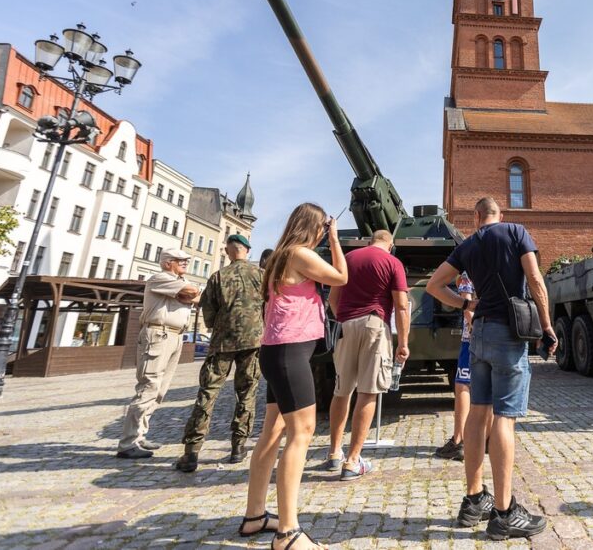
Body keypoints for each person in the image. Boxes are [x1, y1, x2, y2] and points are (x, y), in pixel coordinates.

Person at [427, 197, 556, 540]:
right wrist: (546, 325)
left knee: (478, 413)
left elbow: (434, 285)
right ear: (501, 215)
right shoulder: (516, 232)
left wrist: (467, 303)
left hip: (478, 333)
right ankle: (503, 512)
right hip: (508, 333)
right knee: (504, 417)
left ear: (476, 216)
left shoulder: (467, 244)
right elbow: (535, 279)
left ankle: (473, 499)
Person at [238, 203, 346, 549]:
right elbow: (341, 276)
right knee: (302, 433)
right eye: (320, 227)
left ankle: (255, 515)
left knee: (273, 432)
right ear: (313, 226)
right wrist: (335, 238)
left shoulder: (280, 256)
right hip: (290, 353)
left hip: (277, 352)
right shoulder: (300, 253)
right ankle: (288, 532)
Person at [323, 229, 410, 479]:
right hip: (374, 323)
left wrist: (346, 318)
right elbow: (402, 306)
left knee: (341, 391)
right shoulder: (393, 262)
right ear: (390, 245)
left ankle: (333, 453)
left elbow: (333, 299)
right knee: (368, 391)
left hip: (345, 325)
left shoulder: (349, 258)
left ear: (369, 241)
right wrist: (402, 342)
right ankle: (352, 461)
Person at [175, 234, 265, 473]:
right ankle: (238, 447)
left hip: (221, 343)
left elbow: (208, 312)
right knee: (246, 394)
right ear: (247, 250)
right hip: (252, 343)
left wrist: (220, 325)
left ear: (227, 251)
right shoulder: (260, 275)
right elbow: (269, 306)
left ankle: (192, 452)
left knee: (207, 395)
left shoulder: (218, 277)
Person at [116, 248, 199, 459]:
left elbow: (193, 296)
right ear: (167, 262)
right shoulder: (160, 278)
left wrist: (190, 294)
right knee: (148, 386)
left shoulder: (177, 281)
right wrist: (189, 294)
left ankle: (139, 435)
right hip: (158, 335)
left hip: (175, 336)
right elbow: (192, 293)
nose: (185, 263)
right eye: (180, 260)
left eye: (186, 261)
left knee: (160, 389)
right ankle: (128, 442)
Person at [435, 272, 492, 460]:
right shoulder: (498, 262)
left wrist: (475, 330)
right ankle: (488, 440)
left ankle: (459, 440)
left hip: (472, 339)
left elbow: (467, 307)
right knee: (490, 388)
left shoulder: (470, 269)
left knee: (462, 385)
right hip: (497, 336)